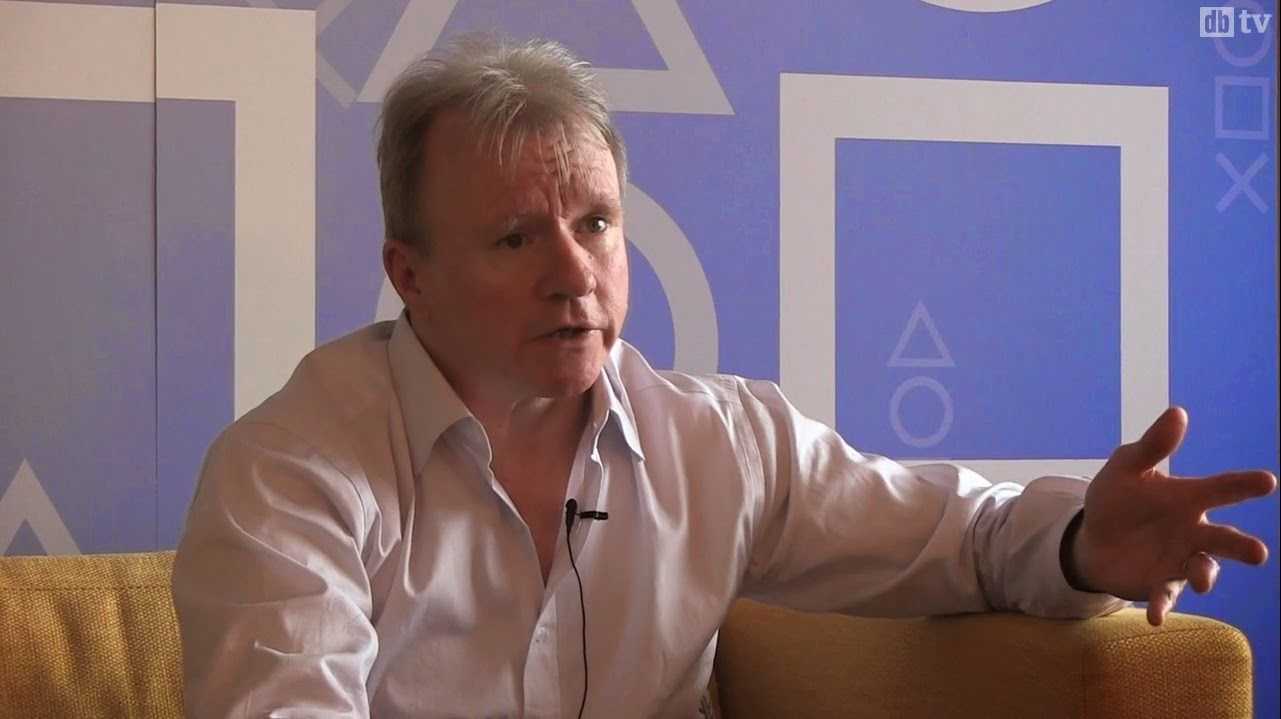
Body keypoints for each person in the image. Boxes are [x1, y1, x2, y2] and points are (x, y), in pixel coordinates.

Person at [171, 36, 1277, 719]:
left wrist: (1085, 542)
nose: (575, 274)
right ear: (408, 274)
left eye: (595, 223)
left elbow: (965, 537)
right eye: (515, 237)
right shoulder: (294, 468)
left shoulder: (723, 442)